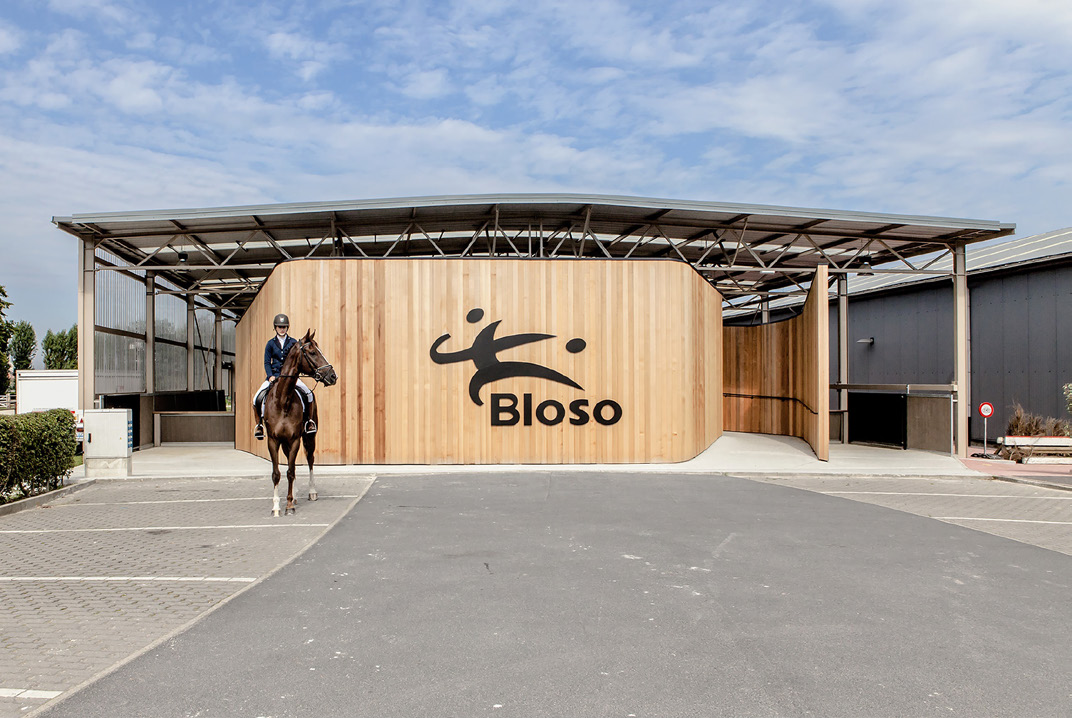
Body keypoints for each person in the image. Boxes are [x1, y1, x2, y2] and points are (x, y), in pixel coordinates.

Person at [253, 313, 316, 439]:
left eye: (284, 327)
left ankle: (309, 421)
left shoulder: (293, 342)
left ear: (287, 327)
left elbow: (298, 360)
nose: (282, 329)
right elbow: (267, 362)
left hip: (291, 378)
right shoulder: (270, 344)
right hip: (275, 376)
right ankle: (259, 425)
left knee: (309, 394)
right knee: (256, 398)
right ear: (275, 328)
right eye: (280, 327)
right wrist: (270, 376)